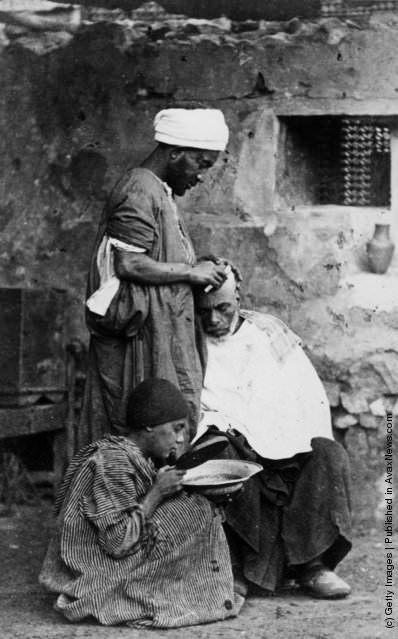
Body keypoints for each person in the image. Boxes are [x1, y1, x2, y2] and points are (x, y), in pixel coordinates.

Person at [194, 262, 352, 599]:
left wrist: (295, 435)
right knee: (220, 453)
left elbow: (309, 397)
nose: (213, 320)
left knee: (328, 452)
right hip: (235, 439)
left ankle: (312, 566)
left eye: (223, 308)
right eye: (204, 311)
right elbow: (195, 405)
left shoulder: (269, 334)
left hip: (282, 441)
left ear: (238, 296)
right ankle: (236, 567)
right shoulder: (190, 342)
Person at [79, 106, 229, 449]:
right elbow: (129, 264)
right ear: (175, 153)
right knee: (138, 429)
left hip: (160, 334)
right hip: (141, 341)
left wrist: (198, 266)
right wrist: (192, 272)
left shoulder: (158, 192)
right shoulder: (140, 189)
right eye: (201, 163)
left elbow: (157, 257)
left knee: (164, 431)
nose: (202, 175)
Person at [39, 378, 242, 628]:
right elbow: (117, 543)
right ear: (149, 427)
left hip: (119, 550)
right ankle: (143, 593)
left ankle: (195, 588)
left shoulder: (134, 457)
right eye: (176, 429)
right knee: (196, 511)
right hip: (98, 569)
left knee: (199, 506)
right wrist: (157, 492)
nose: (179, 439)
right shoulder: (113, 461)